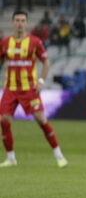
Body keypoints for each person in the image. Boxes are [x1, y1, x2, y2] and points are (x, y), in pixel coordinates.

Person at [0, 11, 67, 168]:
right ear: (12, 23)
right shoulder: (4, 43)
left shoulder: (35, 42)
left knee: (41, 120)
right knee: (4, 121)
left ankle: (59, 155)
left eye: (23, 20)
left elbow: (46, 63)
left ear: (26, 23)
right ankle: (11, 158)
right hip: (10, 88)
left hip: (29, 89)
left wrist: (41, 81)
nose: (20, 23)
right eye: (17, 20)